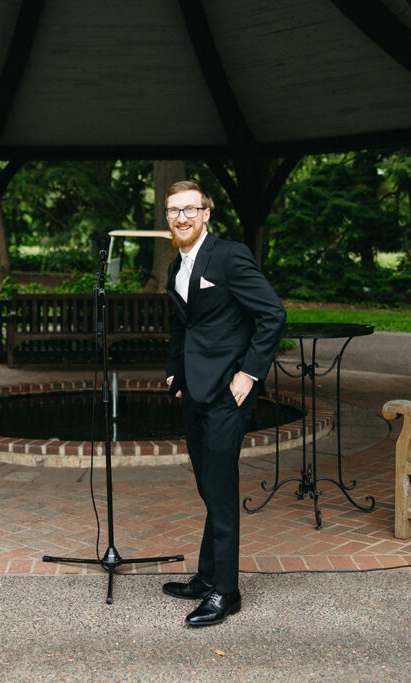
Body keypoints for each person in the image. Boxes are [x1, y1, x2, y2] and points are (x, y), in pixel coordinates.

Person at [161, 180, 285, 627]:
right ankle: (207, 575)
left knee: (221, 490)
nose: (182, 217)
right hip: (192, 391)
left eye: (190, 209)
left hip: (227, 394)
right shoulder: (176, 265)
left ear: (206, 213)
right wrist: (173, 371)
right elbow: (182, 326)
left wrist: (248, 373)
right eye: (174, 211)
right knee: (207, 486)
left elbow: (273, 313)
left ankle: (226, 591)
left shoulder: (229, 256)